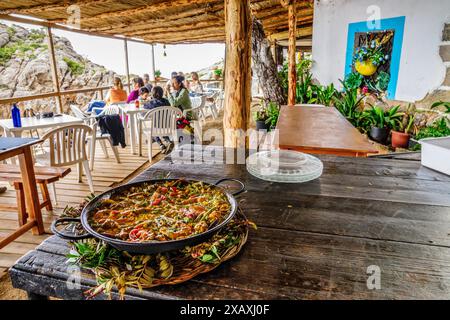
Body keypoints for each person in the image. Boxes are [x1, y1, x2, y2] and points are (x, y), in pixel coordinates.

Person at [142, 86, 173, 153]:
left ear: (152, 94)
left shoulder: (151, 103)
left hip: (156, 127)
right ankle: (168, 141)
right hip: (168, 126)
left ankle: (161, 144)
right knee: (159, 126)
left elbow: (144, 107)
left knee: (152, 127)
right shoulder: (167, 101)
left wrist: (149, 100)